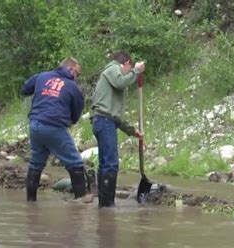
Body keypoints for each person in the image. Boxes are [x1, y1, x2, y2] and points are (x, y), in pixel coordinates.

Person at [22, 57, 89, 202]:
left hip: (35, 124)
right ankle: (81, 203)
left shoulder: (42, 76)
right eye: (77, 73)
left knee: (36, 163)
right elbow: (76, 114)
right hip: (54, 126)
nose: (77, 77)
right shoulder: (72, 87)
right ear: (70, 69)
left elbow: (25, 88)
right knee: (75, 162)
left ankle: (30, 203)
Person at [91, 51, 145, 207]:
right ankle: (107, 205)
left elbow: (115, 115)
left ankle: (103, 204)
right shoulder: (113, 68)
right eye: (129, 68)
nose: (129, 73)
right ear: (126, 63)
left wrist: (131, 130)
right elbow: (121, 82)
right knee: (111, 164)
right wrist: (137, 70)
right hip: (104, 121)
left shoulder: (110, 82)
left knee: (104, 163)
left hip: (103, 121)